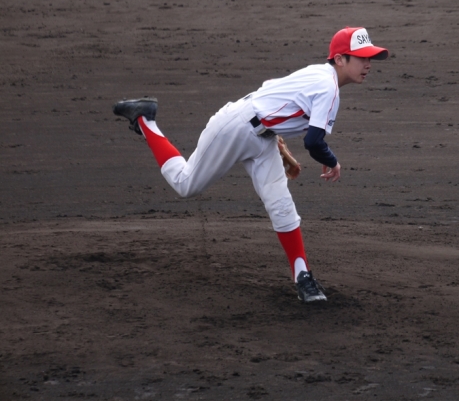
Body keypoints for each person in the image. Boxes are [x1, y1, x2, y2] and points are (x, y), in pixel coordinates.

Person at [113, 27, 389, 302]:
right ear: (340, 59)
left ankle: (303, 276)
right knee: (185, 184)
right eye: (361, 57)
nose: (368, 64)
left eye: (370, 58)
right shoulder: (328, 88)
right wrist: (332, 162)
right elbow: (314, 143)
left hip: (263, 138)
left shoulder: (317, 73)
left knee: (281, 204)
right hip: (235, 128)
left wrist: (276, 130)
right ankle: (145, 120)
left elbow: (271, 86)